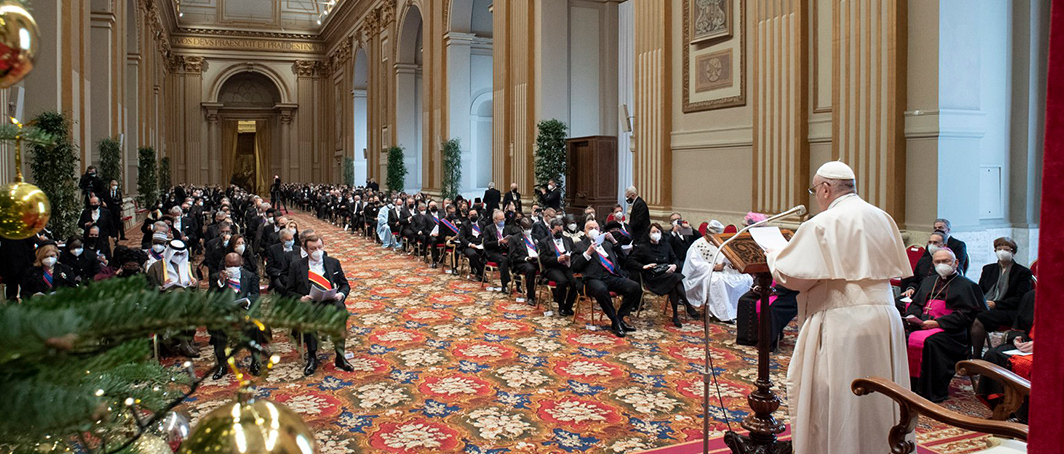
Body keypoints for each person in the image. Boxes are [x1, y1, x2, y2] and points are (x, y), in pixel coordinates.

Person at [766, 160, 913, 453]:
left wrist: (773, 255)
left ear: (825, 188)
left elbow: (792, 275)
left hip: (843, 321)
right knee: (882, 398)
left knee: (841, 397)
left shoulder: (823, 222)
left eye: (815, 190)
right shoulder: (882, 217)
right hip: (885, 318)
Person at [905, 248, 986, 402]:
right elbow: (916, 303)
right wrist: (914, 317)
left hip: (952, 333)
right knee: (903, 337)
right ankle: (908, 387)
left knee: (931, 343)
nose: (941, 264)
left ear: (955, 262)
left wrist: (937, 323)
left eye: (946, 261)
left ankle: (928, 391)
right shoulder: (928, 281)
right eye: (937, 262)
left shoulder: (967, 285)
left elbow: (967, 315)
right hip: (923, 325)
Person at [285, 234, 354, 375]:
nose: (317, 250)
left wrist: (341, 294)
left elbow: (345, 284)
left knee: (341, 311)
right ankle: (312, 357)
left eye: (319, 247)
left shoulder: (333, 262)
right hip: (309, 303)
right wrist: (300, 298)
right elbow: (289, 291)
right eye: (313, 248)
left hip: (330, 301)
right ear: (305, 249)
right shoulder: (297, 266)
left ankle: (340, 356)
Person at [572, 220, 643, 338]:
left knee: (634, 287)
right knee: (600, 289)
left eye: (596, 228)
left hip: (611, 276)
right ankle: (615, 321)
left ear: (600, 231)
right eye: (590, 228)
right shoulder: (579, 245)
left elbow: (623, 258)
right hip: (593, 279)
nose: (594, 230)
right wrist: (587, 253)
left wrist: (614, 242)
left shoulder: (607, 244)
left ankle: (619, 319)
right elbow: (575, 267)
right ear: (585, 232)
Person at [969, 237, 1034, 359]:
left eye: (1006, 249)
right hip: (987, 307)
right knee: (966, 314)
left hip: (1009, 310)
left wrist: (996, 304)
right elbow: (980, 290)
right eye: (999, 248)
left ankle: (977, 357)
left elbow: (1020, 299)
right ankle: (966, 353)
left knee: (978, 318)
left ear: (1013, 252)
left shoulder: (1022, 272)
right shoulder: (988, 269)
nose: (1002, 251)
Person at [976, 288, 1034, 422]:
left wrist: (1042, 344)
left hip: (1053, 349)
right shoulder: (1032, 296)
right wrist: (1017, 339)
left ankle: (1025, 416)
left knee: (1028, 365)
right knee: (993, 355)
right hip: (1028, 346)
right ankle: (1002, 408)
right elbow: (1019, 327)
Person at [682, 220, 754, 322]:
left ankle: (739, 311)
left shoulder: (722, 243)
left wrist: (732, 264)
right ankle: (722, 314)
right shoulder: (698, 245)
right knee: (717, 281)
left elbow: (728, 259)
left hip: (725, 270)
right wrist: (713, 267)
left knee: (746, 278)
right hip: (705, 273)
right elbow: (694, 265)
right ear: (708, 234)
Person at [208, 252, 264, 379]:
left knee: (255, 325)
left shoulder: (250, 276)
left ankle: (255, 362)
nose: (232, 267)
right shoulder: (216, 277)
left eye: (235, 264)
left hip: (245, 313)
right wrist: (221, 284)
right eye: (229, 264)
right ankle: (222, 364)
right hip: (225, 314)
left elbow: (256, 295)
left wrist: (248, 301)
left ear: (241, 263)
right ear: (225, 264)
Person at [632, 223, 699, 327]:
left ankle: (676, 315)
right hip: (653, 278)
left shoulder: (666, 245)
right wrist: (644, 266)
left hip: (667, 274)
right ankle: (688, 305)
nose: (656, 234)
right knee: (676, 279)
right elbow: (630, 261)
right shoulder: (643, 247)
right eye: (653, 232)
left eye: (658, 232)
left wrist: (674, 266)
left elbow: (674, 259)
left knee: (674, 283)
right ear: (649, 234)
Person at [145, 240, 200, 357]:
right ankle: (184, 342)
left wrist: (194, 284)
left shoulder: (188, 265)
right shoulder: (156, 267)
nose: (179, 257)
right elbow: (150, 287)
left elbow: (196, 286)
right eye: (176, 254)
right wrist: (161, 287)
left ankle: (186, 340)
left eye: (181, 254)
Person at [539, 218, 578, 315]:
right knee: (562, 281)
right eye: (557, 231)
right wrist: (557, 259)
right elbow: (543, 259)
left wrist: (569, 258)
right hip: (552, 267)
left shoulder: (568, 240)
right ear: (551, 230)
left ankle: (568, 306)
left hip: (566, 266)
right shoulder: (544, 242)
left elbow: (575, 252)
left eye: (561, 231)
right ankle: (561, 307)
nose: (559, 233)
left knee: (574, 282)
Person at [507, 218, 540, 303]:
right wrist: (526, 258)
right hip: (522, 262)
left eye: (530, 228)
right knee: (530, 269)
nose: (528, 230)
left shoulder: (536, 237)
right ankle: (530, 296)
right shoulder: (515, 239)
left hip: (537, 260)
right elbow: (512, 256)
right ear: (521, 228)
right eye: (526, 229)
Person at [483, 210, 513, 293]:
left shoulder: (508, 228)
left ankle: (518, 285)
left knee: (515, 259)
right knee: (504, 260)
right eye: (500, 220)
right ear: (495, 220)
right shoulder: (488, 229)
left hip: (505, 251)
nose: (502, 221)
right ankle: (505, 285)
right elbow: (486, 244)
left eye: (504, 219)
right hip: (493, 252)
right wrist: (498, 242)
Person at [459, 208, 487, 280]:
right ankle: (482, 274)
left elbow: (486, 235)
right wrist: (470, 244)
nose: (474, 216)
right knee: (473, 255)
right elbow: (461, 238)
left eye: (475, 215)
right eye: (472, 215)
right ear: (468, 216)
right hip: (469, 246)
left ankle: (479, 272)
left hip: (480, 245)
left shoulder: (482, 224)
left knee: (486, 253)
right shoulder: (464, 224)